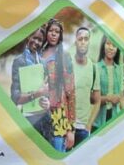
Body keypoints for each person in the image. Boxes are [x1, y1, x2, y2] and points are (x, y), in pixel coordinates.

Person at [40, 19, 76, 153]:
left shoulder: (64, 57)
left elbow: (71, 93)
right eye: (51, 31)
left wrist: (71, 129)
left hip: (58, 118)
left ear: (60, 35)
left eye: (57, 32)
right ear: (46, 33)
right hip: (38, 115)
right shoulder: (38, 54)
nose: (54, 34)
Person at [70, 27, 101, 145]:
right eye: (80, 39)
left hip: (83, 129)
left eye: (86, 39)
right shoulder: (68, 64)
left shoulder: (93, 68)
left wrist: (89, 124)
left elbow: (97, 101)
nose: (83, 42)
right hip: (67, 127)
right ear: (75, 41)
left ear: (89, 42)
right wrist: (67, 125)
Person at [93, 35, 124, 131]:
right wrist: (109, 98)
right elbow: (92, 99)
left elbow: (121, 97)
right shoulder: (96, 68)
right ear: (103, 45)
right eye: (108, 44)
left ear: (117, 49)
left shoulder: (119, 70)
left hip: (115, 120)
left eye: (114, 45)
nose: (111, 48)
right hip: (98, 121)